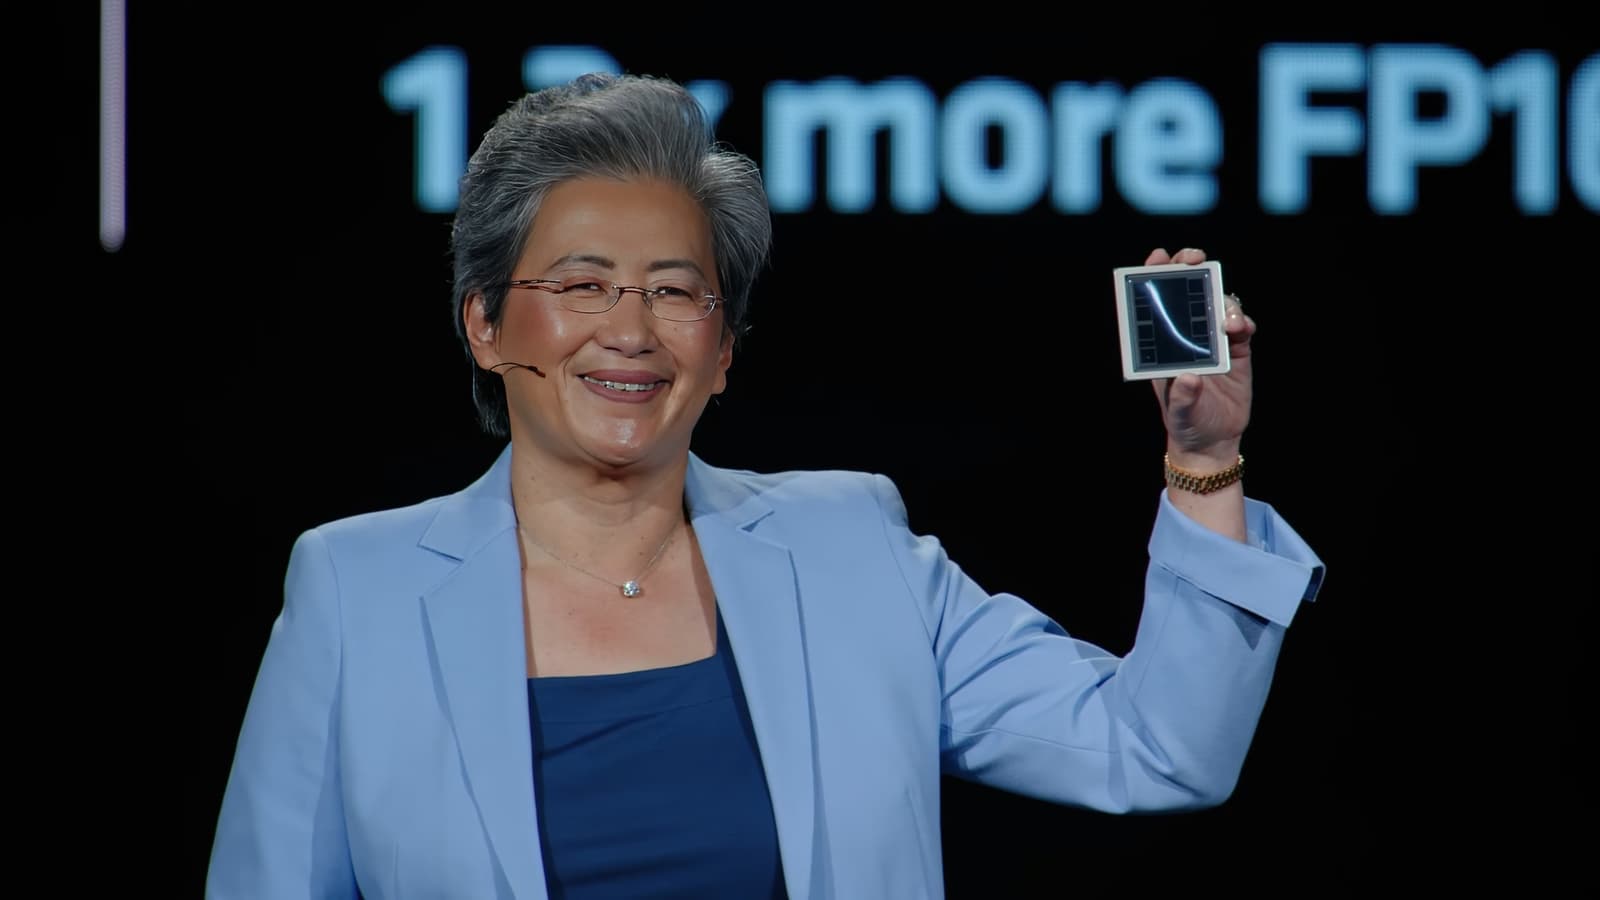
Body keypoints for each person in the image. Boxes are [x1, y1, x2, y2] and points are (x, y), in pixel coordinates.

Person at [207, 72, 1326, 899]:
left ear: (724, 350)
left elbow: (1158, 750)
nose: (630, 331)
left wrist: (1203, 461)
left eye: (674, 290)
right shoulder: (356, 589)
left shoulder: (854, 549)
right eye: (583, 285)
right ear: (486, 324)